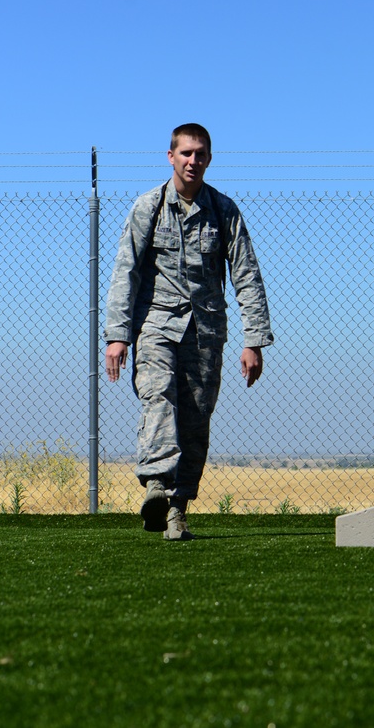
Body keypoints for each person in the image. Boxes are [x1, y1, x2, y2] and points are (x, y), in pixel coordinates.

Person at [104, 123, 274, 540]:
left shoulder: (223, 211)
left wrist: (254, 340)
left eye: (200, 154)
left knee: (196, 419)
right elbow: (125, 271)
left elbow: (247, 276)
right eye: (185, 153)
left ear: (209, 159)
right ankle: (158, 486)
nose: (192, 161)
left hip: (205, 332)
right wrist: (117, 334)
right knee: (158, 395)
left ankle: (177, 511)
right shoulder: (149, 206)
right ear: (170, 157)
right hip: (156, 325)